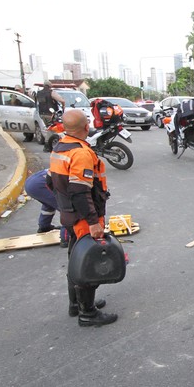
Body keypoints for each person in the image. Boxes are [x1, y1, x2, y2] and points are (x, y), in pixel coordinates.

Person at [49, 109, 117, 327]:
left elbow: (51, 183)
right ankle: (88, 313)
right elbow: (80, 191)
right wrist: (93, 222)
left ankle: (76, 305)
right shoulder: (81, 153)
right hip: (82, 217)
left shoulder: (59, 148)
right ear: (86, 127)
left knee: (75, 259)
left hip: (69, 213)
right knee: (89, 262)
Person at [23, 169, 69, 246]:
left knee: (48, 204)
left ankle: (44, 227)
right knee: (67, 209)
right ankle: (66, 238)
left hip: (31, 182)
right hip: (40, 184)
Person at [36, 81, 65, 150]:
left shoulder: (39, 93)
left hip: (42, 113)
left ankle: (49, 144)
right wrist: (63, 106)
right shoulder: (51, 92)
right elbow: (62, 100)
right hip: (50, 114)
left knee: (49, 128)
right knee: (51, 128)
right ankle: (47, 145)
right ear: (50, 86)